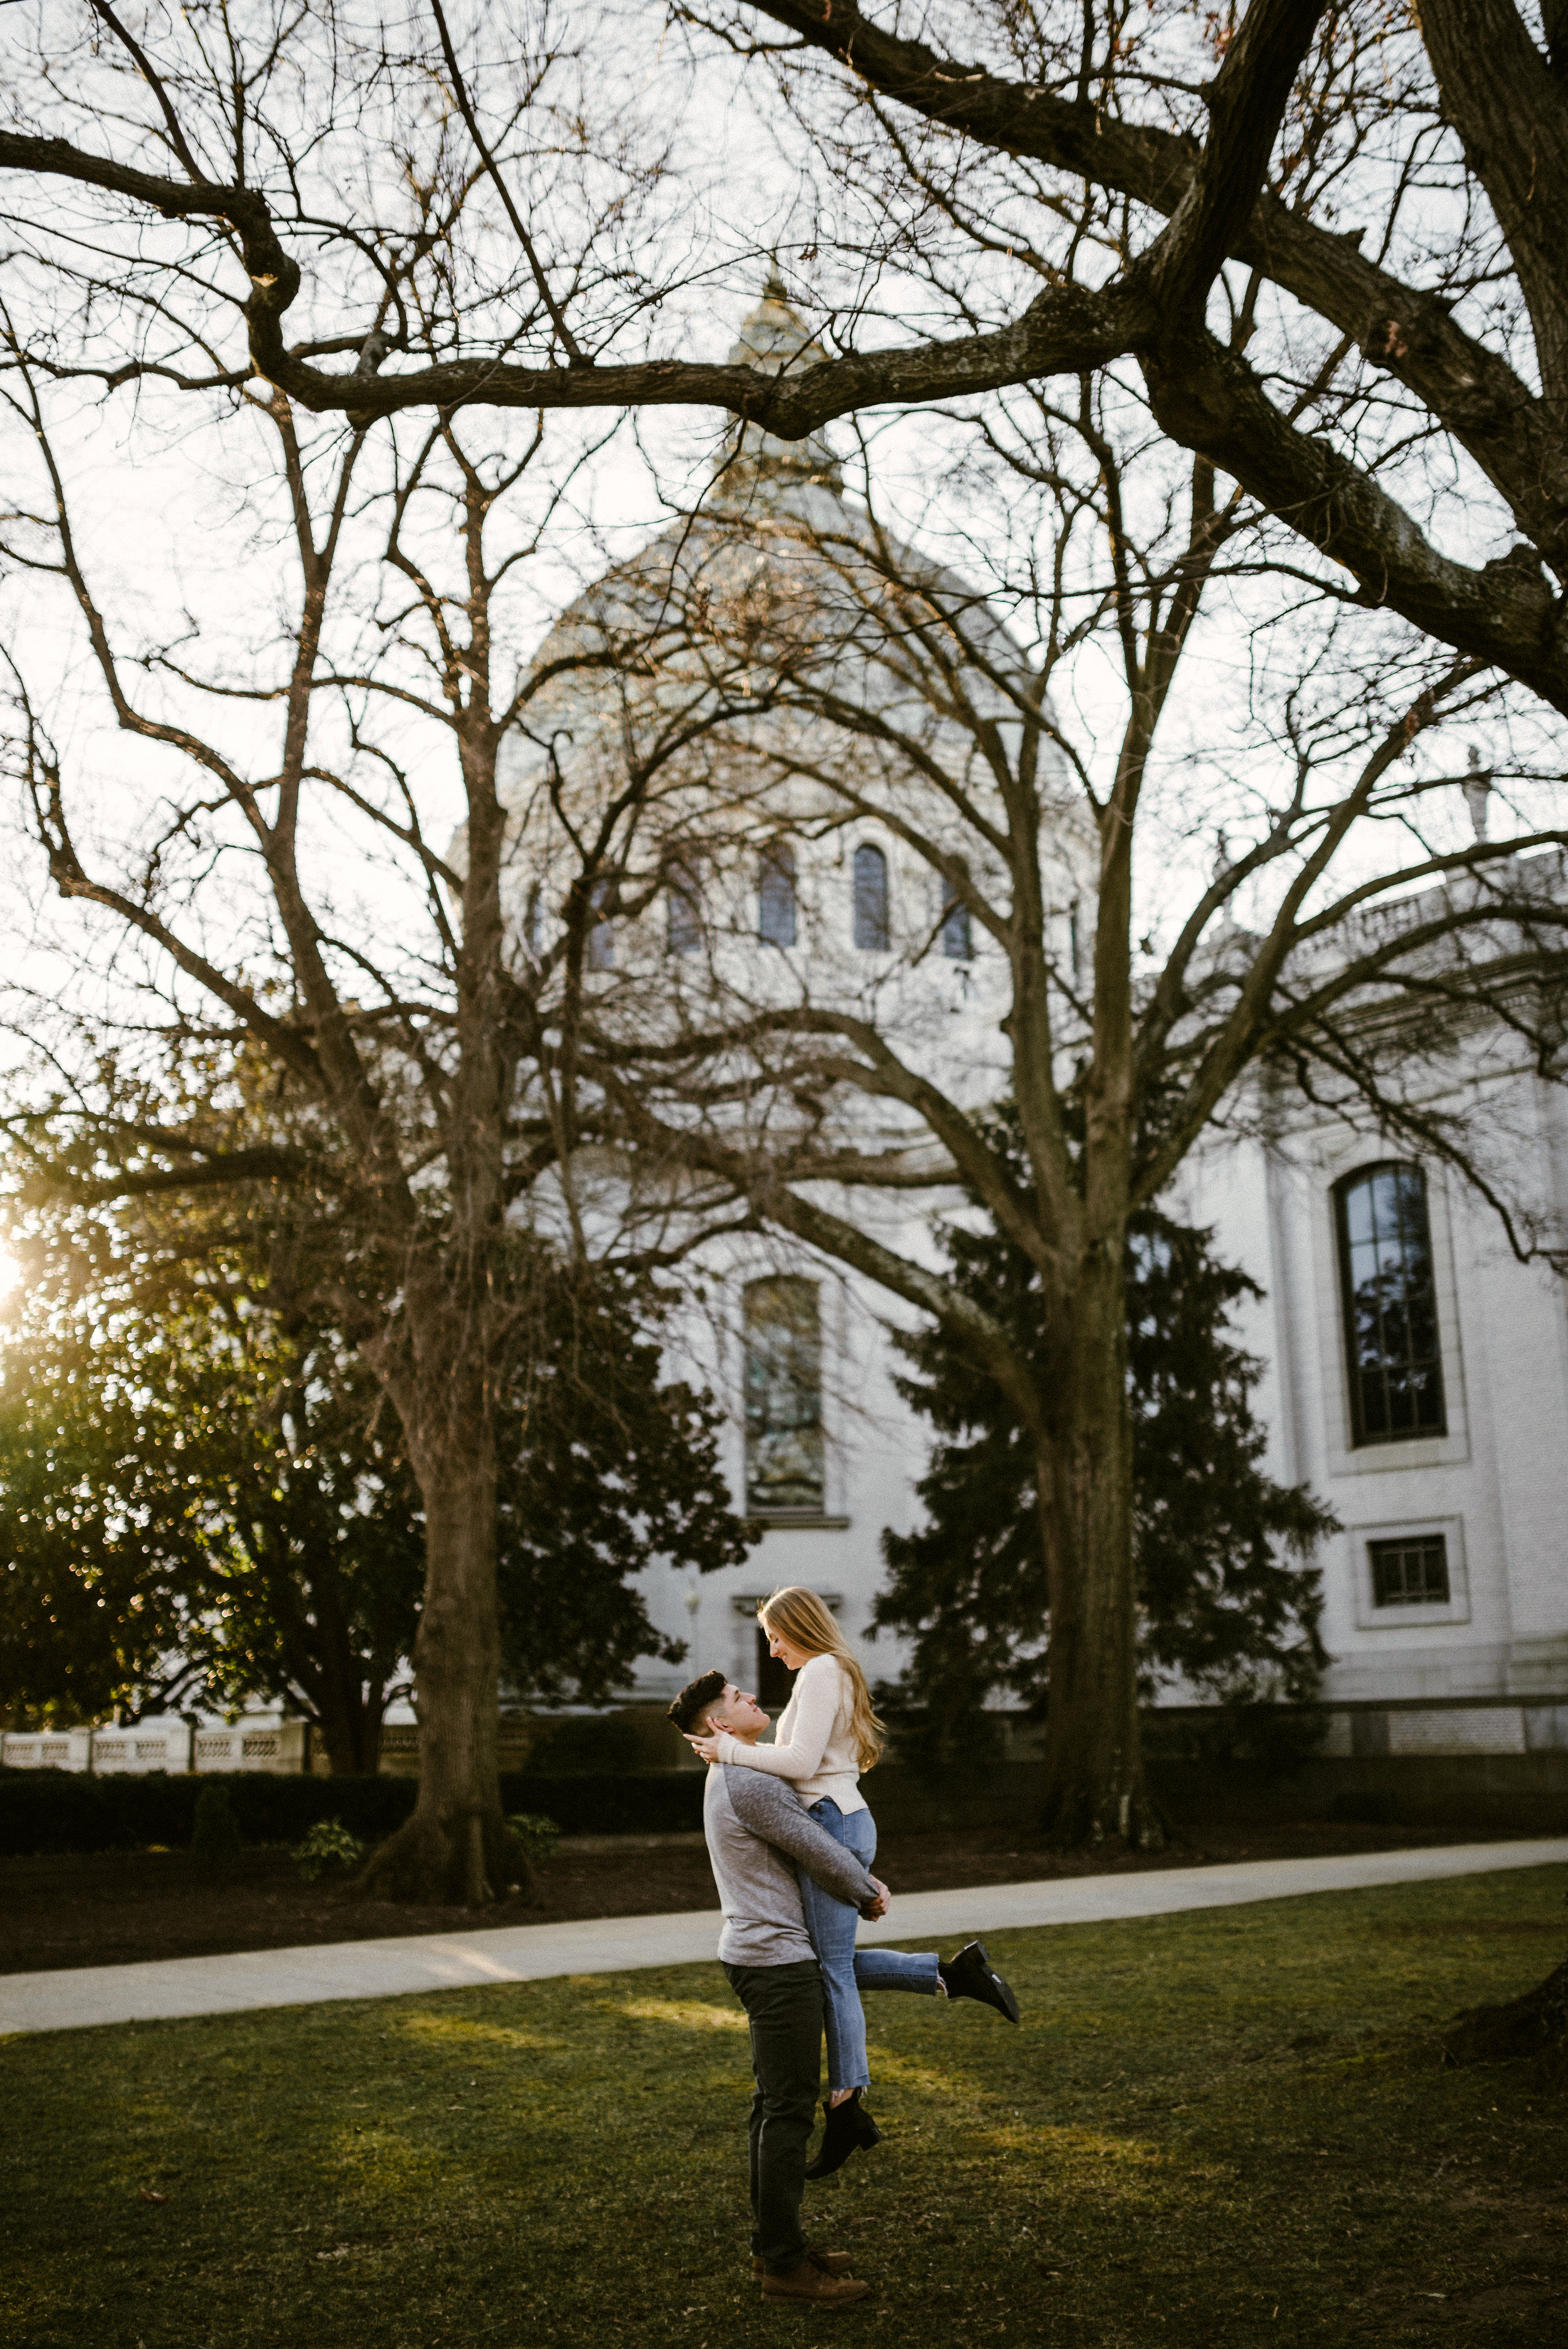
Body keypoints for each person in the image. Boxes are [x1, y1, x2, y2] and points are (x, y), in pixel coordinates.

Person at [684, 1586, 1020, 2177]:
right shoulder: (826, 1672)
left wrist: (729, 1753)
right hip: (841, 1820)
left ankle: (847, 2104)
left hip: (834, 1822)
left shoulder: (820, 1671)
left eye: (776, 1634)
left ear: (799, 1627)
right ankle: (950, 1974)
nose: (773, 1648)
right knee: (823, 1962)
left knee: (829, 1968)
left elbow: (800, 1765)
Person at [669, 1666, 880, 2306]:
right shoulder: (746, 1778)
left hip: (761, 1955)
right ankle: (786, 2269)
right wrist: (866, 1890)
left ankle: (774, 2246)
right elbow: (812, 1844)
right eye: (736, 1697)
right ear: (718, 1724)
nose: (750, 1696)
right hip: (775, 1963)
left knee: (772, 2107)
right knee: (787, 2110)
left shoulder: (739, 1769)